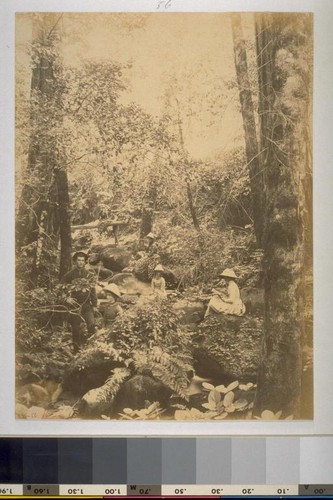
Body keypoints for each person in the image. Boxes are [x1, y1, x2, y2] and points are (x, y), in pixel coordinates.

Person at [62, 251, 98, 352]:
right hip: (74, 306)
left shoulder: (89, 275)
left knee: (91, 324)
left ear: (85, 262)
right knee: (75, 328)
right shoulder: (68, 275)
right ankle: (77, 350)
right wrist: (66, 299)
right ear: (75, 261)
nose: (81, 262)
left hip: (87, 305)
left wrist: (94, 305)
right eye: (78, 260)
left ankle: (91, 348)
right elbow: (61, 289)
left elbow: (93, 290)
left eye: (83, 260)